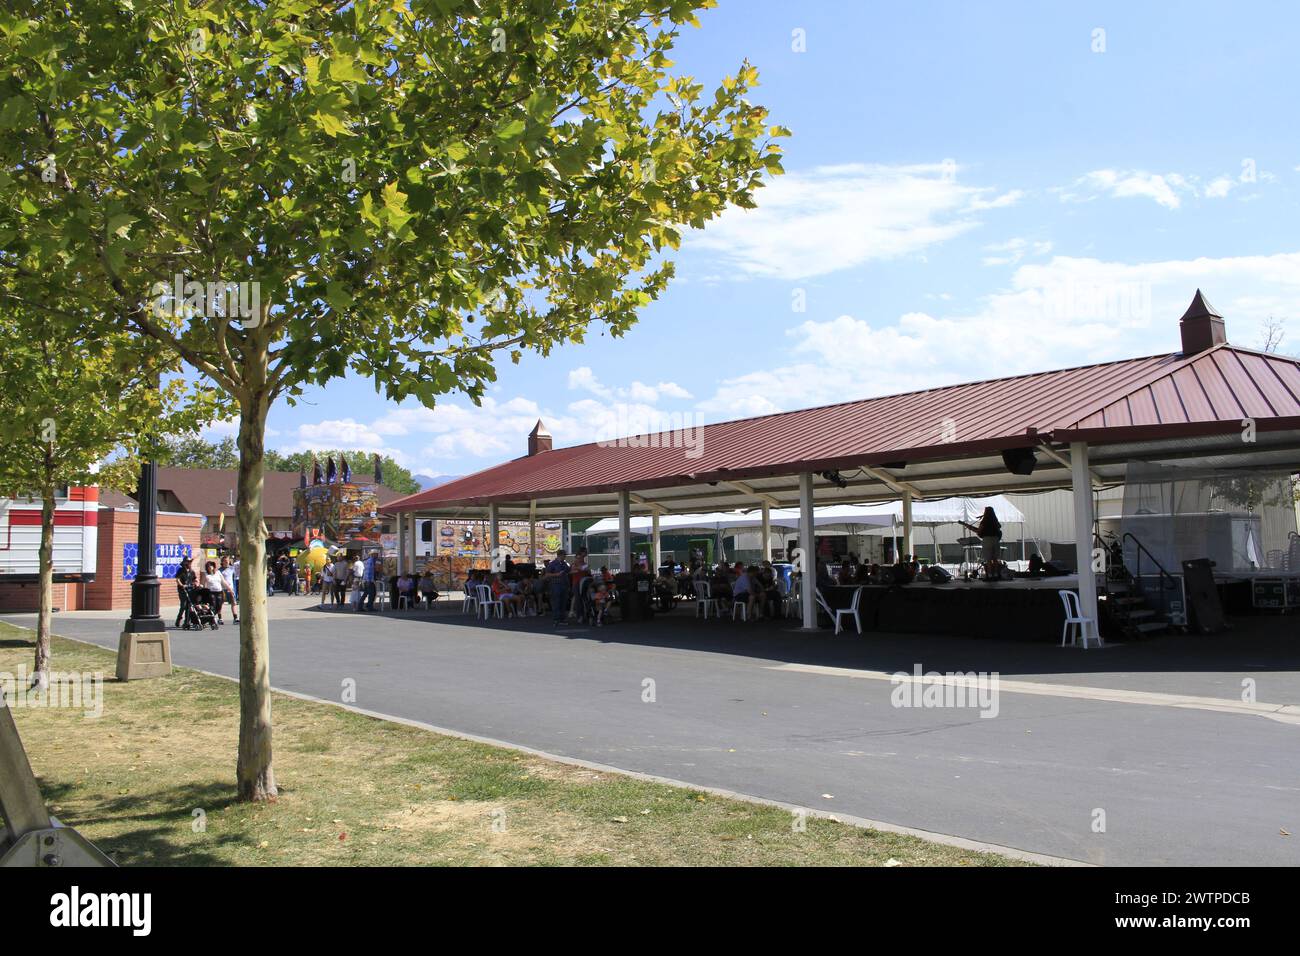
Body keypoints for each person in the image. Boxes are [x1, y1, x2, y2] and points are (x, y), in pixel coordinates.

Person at [544, 549, 571, 627]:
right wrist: (556, 574)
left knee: (563, 603)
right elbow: (547, 574)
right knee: (556, 602)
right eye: (564, 555)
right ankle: (556, 619)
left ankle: (562, 619)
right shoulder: (552, 564)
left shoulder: (564, 564)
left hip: (564, 585)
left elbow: (568, 572)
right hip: (555, 585)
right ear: (560, 555)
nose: (565, 557)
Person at [203, 560, 229, 624]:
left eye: (211, 566)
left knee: (219, 606)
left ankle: (210, 618)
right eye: (208, 566)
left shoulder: (218, 572)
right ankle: (211, 620)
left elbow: (223, 581)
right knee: (213, 605)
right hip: (211, 592)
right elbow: (203, 584)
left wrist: (229, 589)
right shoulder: (206, 574)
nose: (210, 567)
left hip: (219, 592)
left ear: (213, 566)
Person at [173, 556, 196, 628]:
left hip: (190, 589)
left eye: (190, 562)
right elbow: (177, 579)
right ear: (185, 563)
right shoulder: (180, 570)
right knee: (183, 605)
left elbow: (195, 579)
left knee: (188, 606)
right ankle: (178, 619)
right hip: (182, 590)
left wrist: (196, 583)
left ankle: (186, 622)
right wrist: (182, 585)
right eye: (188, 562)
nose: (189, 563)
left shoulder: (192, 571)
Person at [220, 556, 239, 624]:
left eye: (227, 560)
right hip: (223, 589)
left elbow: (235, 577)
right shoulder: (220, 570)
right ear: (222, 562)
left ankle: (235, 617)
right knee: (221, 603)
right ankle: (220, 618)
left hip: (231, 589)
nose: (226, 562)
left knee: (233, 603)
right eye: (225, 561)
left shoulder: (232, 569)